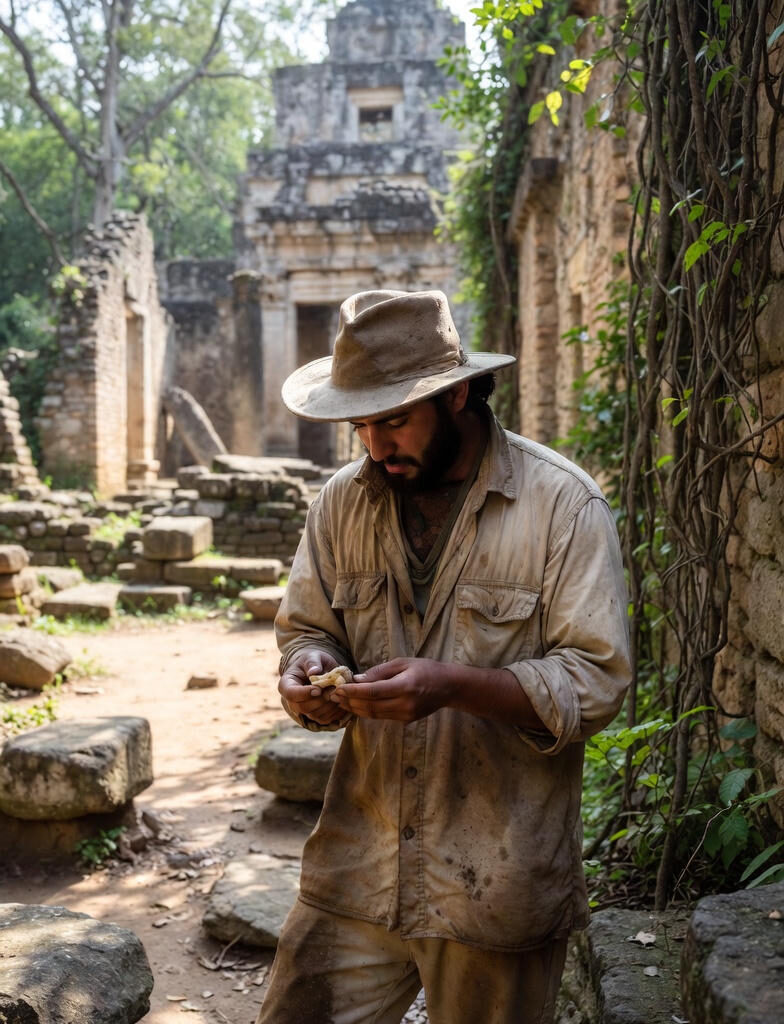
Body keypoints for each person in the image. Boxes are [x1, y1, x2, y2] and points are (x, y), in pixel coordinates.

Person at [257, 289, 631, 1024]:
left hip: (497, 877)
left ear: (458, 394)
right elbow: (308, 628)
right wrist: (305, 673)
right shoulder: (339, 505)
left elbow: (596, 681)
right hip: (357, 861)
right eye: (360, 424)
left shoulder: (563, 506)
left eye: (393, 421)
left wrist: (454, 686)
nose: (374, 446)